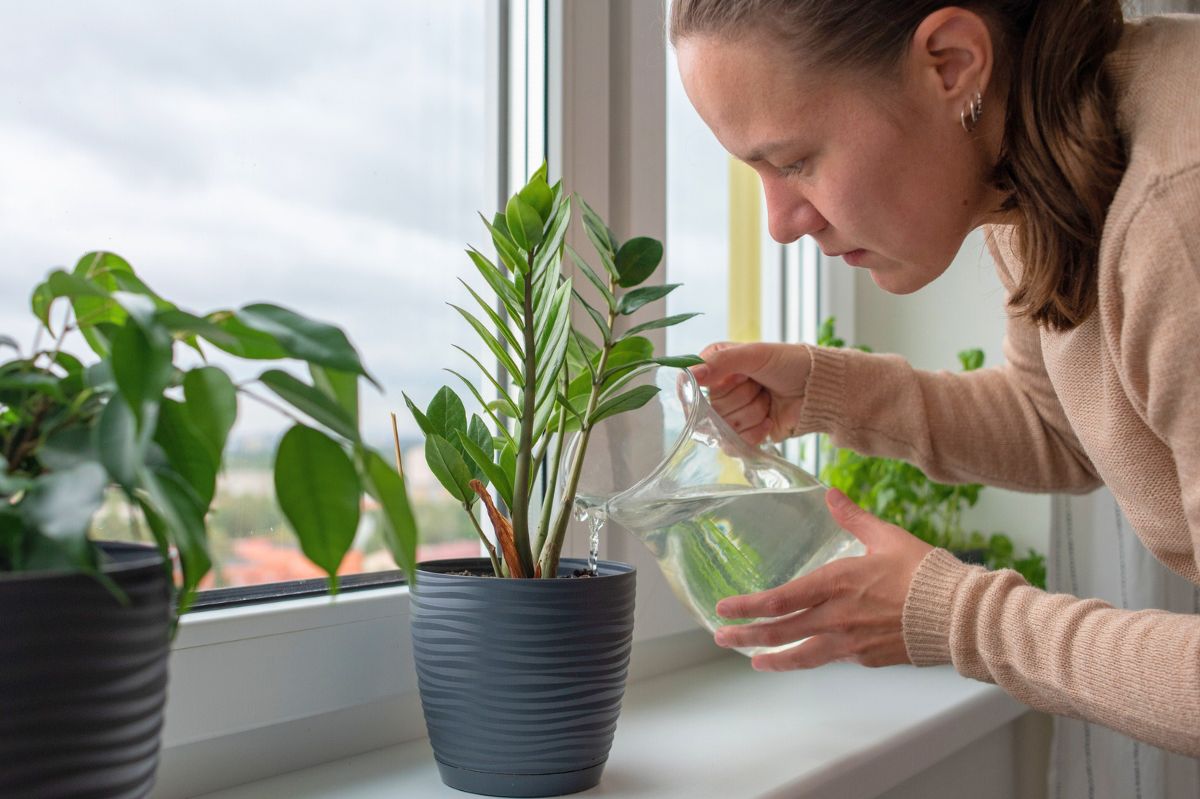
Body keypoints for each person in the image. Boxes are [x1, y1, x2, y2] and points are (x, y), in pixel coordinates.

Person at [671, 0, 1200, 757]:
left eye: (793, 160)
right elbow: (1068, 427)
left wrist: (959, 616)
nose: (780, 222)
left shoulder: (1176, 214)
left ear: (951, 64)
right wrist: (828, 389)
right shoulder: (1039, 162)